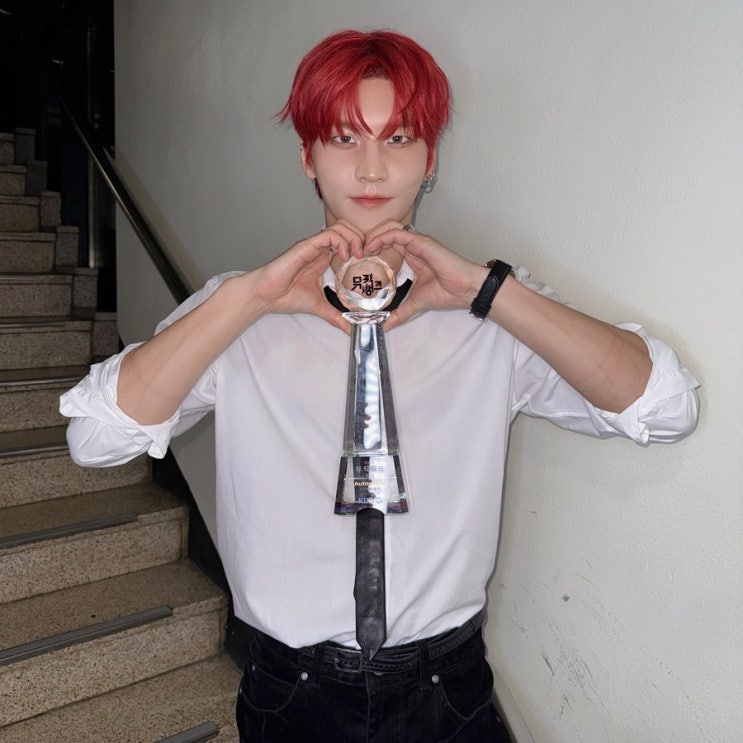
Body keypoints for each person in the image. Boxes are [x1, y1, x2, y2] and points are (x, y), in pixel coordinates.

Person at [60, 29, 700, 742]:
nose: (371, 169)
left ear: (430, 159)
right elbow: (95, 438)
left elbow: (664, 406)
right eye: (343, 138)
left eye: (398, 139)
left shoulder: (489, 312)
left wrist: (488, 292)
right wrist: (248, 300)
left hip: (447, 686)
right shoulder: (236, 312)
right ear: (307, 156)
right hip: (289, 690)